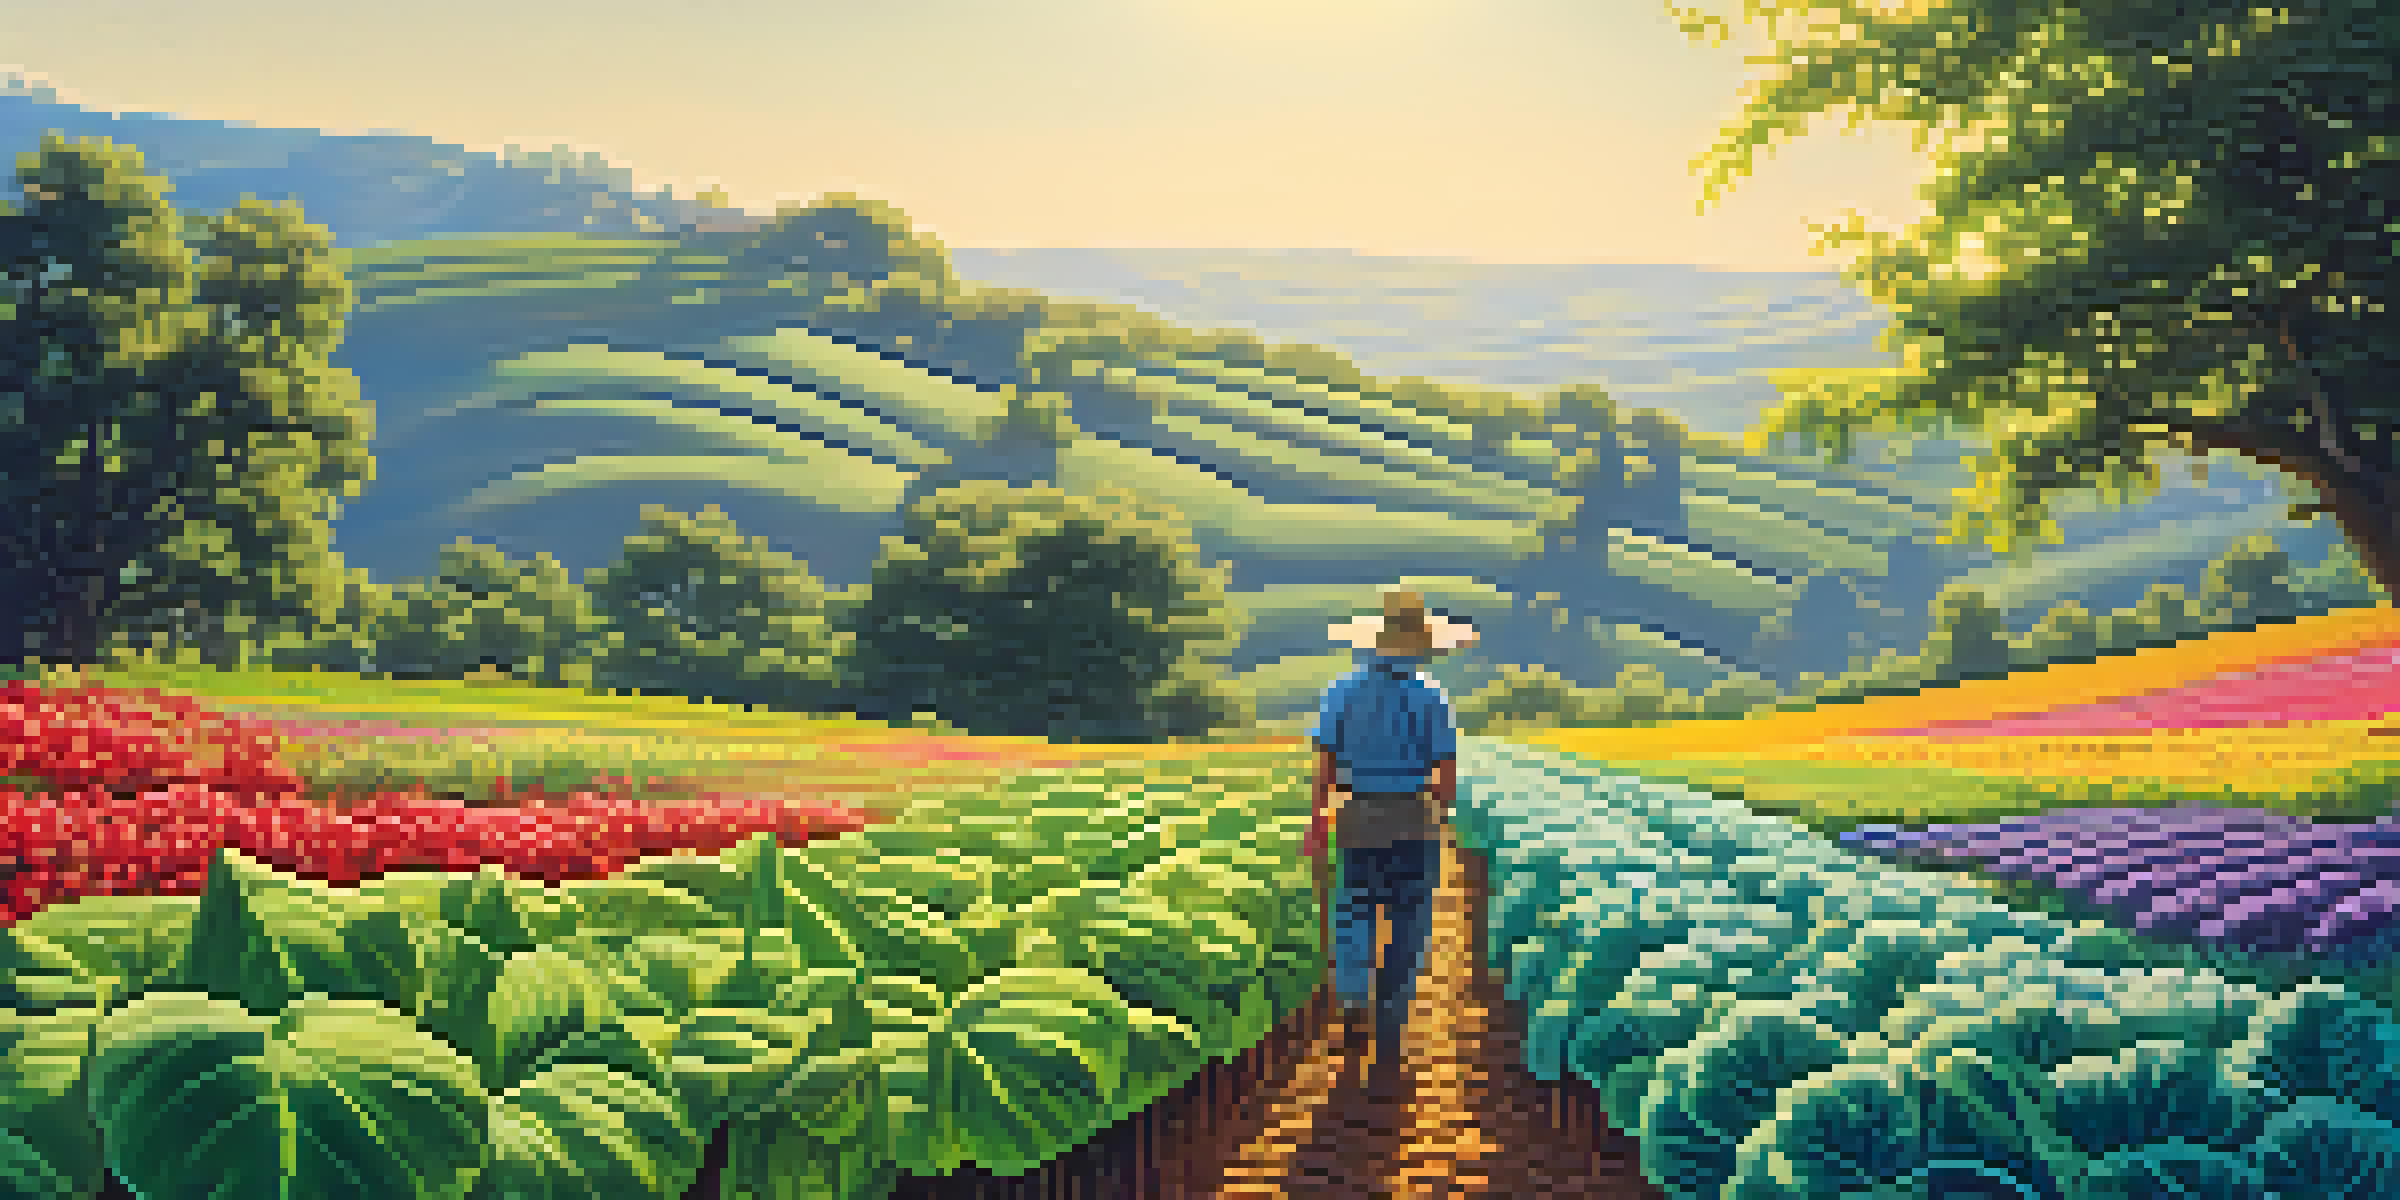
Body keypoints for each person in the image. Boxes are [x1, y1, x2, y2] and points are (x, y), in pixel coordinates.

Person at [1300, 589, 1474, 1094]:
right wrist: (1441, 811)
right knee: (1408, 920)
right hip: (1414, 814)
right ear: (1420, 645)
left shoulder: (1342, 690)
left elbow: (1325, 762)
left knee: (1354, 907)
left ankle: (1354, 996)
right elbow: (1445, 770)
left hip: (1358, 812)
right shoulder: (1431, 694)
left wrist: (1318, 817)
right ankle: (1392, 1025)